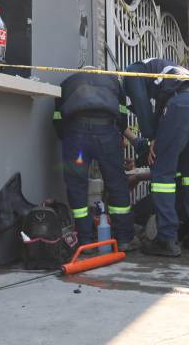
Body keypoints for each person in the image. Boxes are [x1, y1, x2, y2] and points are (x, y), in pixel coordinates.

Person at [123, 58, 189, 256]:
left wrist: (152, 136)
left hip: (184, 106)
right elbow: (161, 105)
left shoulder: (132, 72)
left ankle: (166, 239)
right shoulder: (172, 70)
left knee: (163, 173)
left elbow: (143, 108)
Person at [52, 69, 135, 251]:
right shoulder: (113, 82)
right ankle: (123, 240)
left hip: (77, 138)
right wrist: (116, 134)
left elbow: (57, 118)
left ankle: (86, 241)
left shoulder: (67, 82)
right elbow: (122, 116)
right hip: (106, 134)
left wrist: (68, 138)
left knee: (77, 186)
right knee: (116, 183)